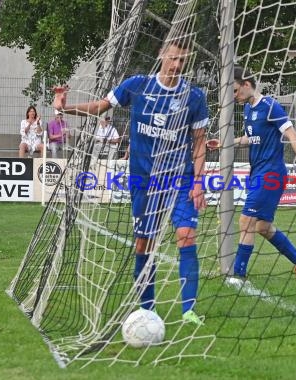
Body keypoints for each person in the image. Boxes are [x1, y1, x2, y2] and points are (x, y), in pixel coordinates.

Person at [52, 37, 208, 326]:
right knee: (143, 245)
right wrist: (65, 108)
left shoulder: (194, 97)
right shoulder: (137, 85)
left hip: (179, 179)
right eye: (173, 58)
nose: (176, 65)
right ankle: (147, 310)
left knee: (186, 236)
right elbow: (101, 107)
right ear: (162, 55)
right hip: (143, 181)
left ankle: (189, 310)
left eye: (182, 61)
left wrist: (199, 182)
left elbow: (199, 143)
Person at [207, 66, 296, 281]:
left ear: (247, 85)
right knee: (262, 227)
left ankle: (237, 276)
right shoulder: (248, 109)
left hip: (271, 173)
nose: (234, 96)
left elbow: (292, 135)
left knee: (246, 221)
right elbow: (251, 138)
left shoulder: (270, 106)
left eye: (236, 91)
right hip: (258, 172)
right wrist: (224, 143)